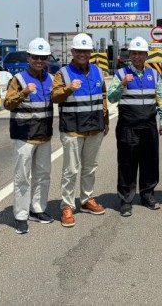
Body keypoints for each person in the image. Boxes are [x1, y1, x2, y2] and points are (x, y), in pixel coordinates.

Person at [51, 33, 109, 228]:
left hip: (94, 127)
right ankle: (67, 206)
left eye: (86, 51)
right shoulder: (63, 73)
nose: (82, 54)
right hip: (72, 128)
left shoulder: (98, 72)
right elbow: (55, 97)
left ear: (90, 52)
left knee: (90, 167)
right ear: (72, 52)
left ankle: (86, 199)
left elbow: (103, 98)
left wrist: (105, 120)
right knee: (71, 170)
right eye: (79, 51)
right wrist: (68, 89)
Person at [107, 36, 162, 217]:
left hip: (148, 125)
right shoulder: (120, 74)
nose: (137, 57)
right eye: (134, 53)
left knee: (150, 161)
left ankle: (148, 195)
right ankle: (126, 200)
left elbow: (160, 100)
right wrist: (123, 84)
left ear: (146, 55)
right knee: (127, 163)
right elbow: (111, 97)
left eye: (141, 54)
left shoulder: (154, 74)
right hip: (128, 126)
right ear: (129, 55)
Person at [4, 37, 55, 234]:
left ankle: (38, 209)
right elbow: (8, 104)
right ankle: (21, 216)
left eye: (43, 57)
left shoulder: (51, 79)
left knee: (43, 175)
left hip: (44, 136)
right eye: (35, 57)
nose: (39, 61)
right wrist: (23, 93)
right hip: (23, 136)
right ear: (28, 57)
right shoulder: (18, 80)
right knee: (22, 178)